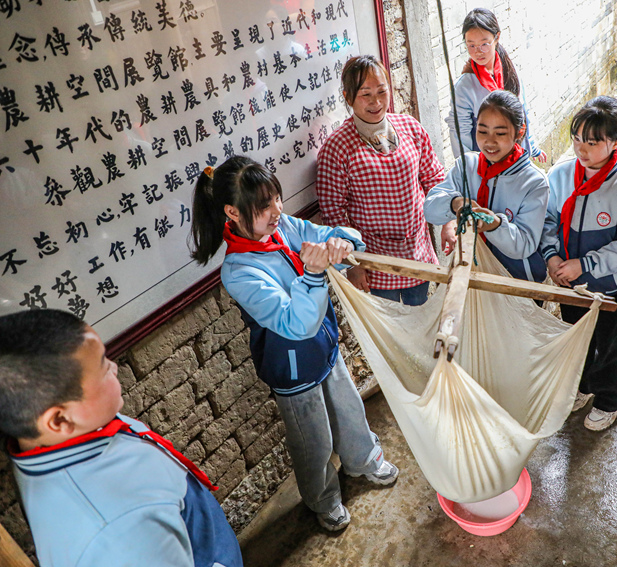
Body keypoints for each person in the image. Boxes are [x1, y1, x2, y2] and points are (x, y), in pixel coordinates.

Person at [190, 156, 398, 532]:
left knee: (348, 407)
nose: (276, 211)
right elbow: (295, 324)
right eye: (263, 206)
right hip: (292, 366)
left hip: (324, 346)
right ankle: (323, 498)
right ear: (231, 212)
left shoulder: (284, 226)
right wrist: (315, 272)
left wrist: (339, 241)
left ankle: (364, 459)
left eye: (276, 199)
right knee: (312, 438)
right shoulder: (239, 271)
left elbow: (345, 235)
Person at [0, 310, 243, 567]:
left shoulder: (51, 437)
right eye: (103, 368)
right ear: (60, 421)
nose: (114, 368)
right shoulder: (122, 527)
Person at [540, 96, 617, 431]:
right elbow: (548, 220)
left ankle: (611, 397)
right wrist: (553, 257)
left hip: (606, 287)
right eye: (576, 139)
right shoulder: (559, 174)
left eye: (592, 142)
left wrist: (584, 265)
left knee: (608, 346)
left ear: (615, 142)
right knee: (578, 339)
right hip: (569, 283)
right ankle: (584, 387)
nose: (581, 149)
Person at [317, 55, 445, 306]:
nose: (376, 102)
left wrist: (449, 221)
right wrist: (352, 263)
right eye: (365, 94)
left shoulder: (410, 127)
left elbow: (435, 178)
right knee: (391, 332)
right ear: (348, 96)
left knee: (419, 322)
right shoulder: (336, 148)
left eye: (381, 91)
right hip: (375, 262)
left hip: (417, 254)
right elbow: (333, 212)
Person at [425, 89, 549, 282]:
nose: (489, 141)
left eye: (500, 133)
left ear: (520, 131)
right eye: (482, 131)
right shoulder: (467, 166)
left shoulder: (534, 182)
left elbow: (524, 244)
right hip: (473, 274)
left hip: (517, 281)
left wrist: (495, 225)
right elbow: (430, 209)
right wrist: (455, 203)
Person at [447, 8, 546, 163]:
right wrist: (468, 171)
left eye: (484, 44)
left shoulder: (511, 72)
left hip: (518, 159)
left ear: (497, 37)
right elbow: (460, 133)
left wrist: (532, 148)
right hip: (488, 163)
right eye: (471, 45)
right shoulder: (464, 87)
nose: (478, 52)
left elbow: (523, 112)